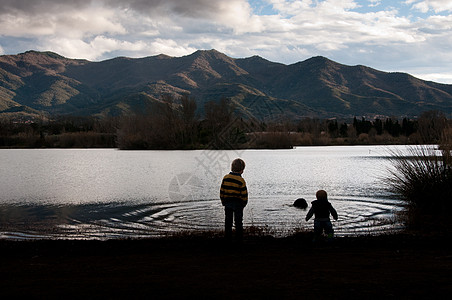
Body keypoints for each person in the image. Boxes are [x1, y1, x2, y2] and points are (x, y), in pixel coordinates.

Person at [220, 158, 248, 242]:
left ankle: (227, 238)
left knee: (228, 221)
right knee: (238, 222)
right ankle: (239, 238)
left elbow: (222, 191)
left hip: (227, 202)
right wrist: (244, 203)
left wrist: (223, 201)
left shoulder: (226, 178)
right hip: (238, 203)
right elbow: (244, 194)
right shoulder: (241, 180)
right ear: (242, 170)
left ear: (232, 167)